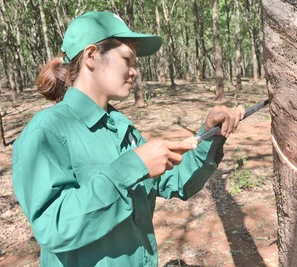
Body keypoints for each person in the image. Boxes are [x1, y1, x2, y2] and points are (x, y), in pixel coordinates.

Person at [12, 11, 245, 267]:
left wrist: (210, 134)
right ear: (91, 56)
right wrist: (130, 167)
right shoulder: (47, 131)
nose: (134, 72)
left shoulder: (121, 128)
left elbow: (175, 182)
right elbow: (52, 227)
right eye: (127, 59)